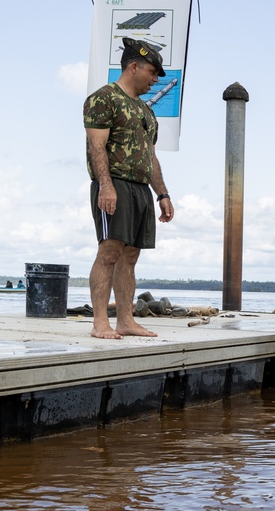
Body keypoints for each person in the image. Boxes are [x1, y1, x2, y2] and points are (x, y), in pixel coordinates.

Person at [83, 38, 174, 340]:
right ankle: (100, 323)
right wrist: (106, 187)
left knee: (131, 256)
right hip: (115, 184)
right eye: (152, 72)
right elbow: (97, 146)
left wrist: (162, 193)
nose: (155, 79)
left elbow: (150, 156)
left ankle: (126, 320)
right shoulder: (104, 98)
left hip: (141, 190)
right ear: (134, 66)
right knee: (109, 251)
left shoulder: (146, 111)